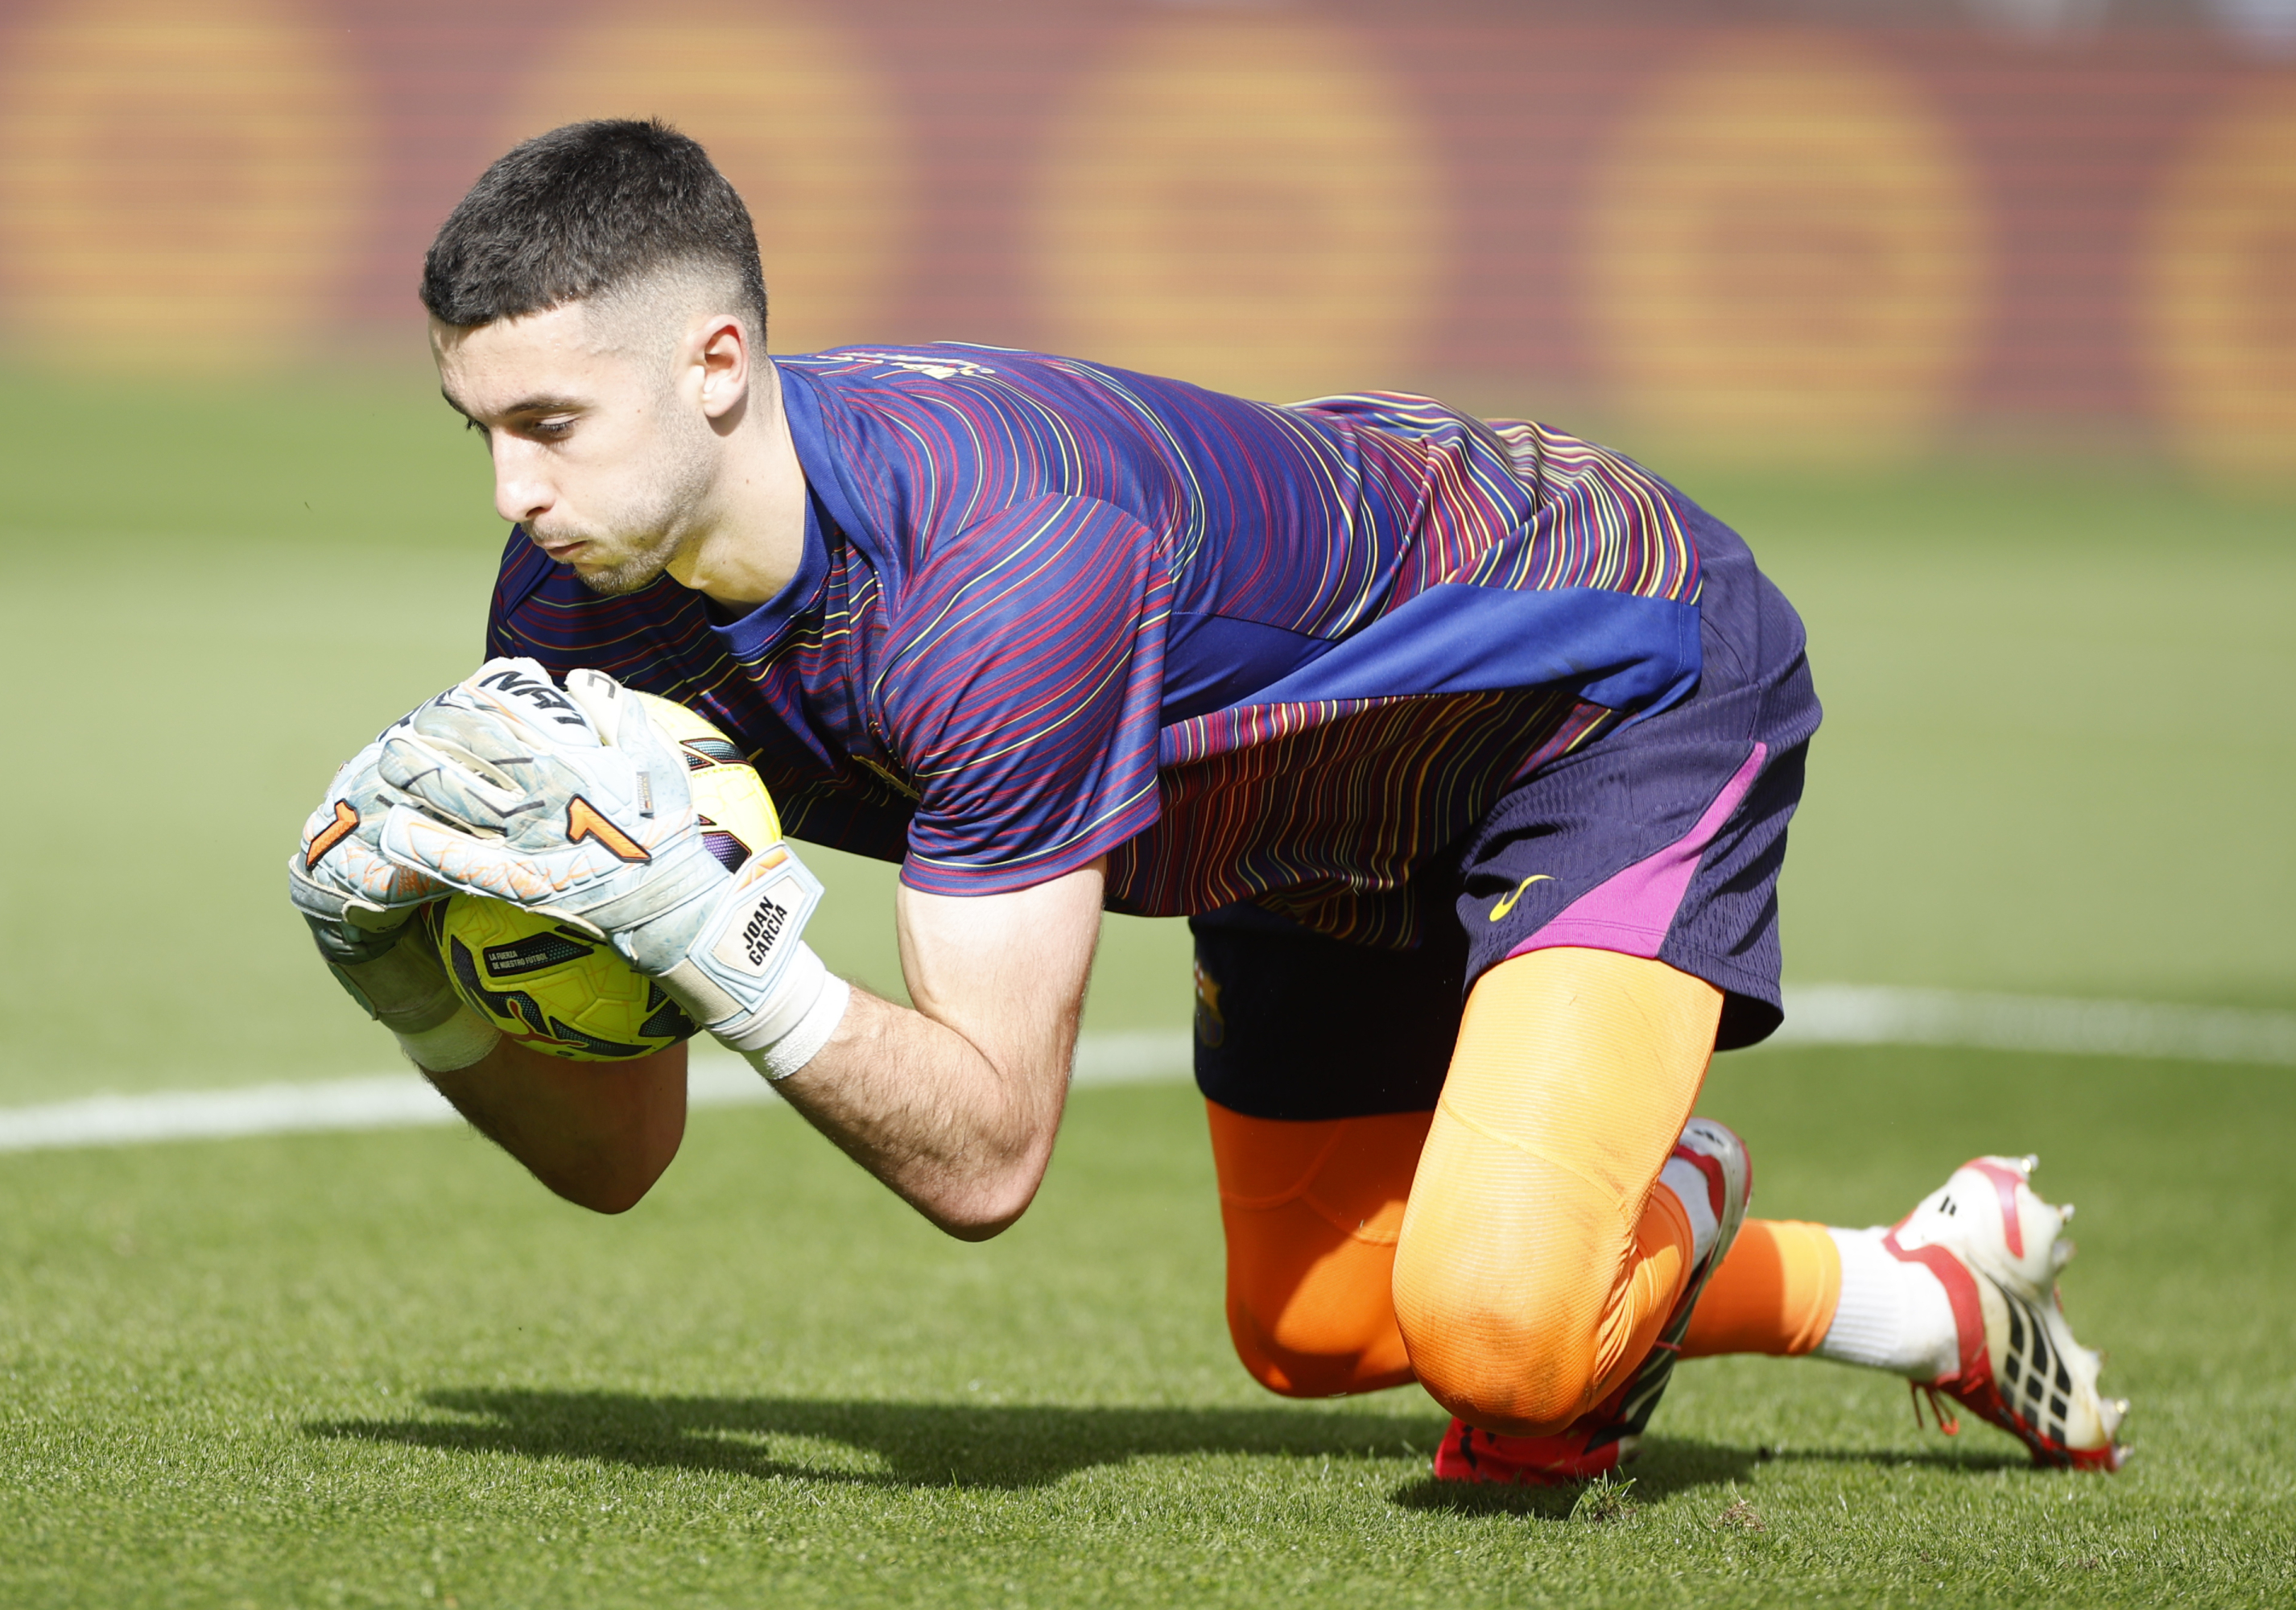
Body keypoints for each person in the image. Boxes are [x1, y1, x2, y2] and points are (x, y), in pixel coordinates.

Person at [287, 119, 2126, 1481]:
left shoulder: (1002, 572)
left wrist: (714, 938)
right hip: (1296, 795)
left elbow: (990, 1154)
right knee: (1323, 1334)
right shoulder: (573, 600)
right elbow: (626, 1154)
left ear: (718, 367)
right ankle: (1918, 1293)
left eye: (550, 424)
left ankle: (1625, 1221)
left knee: (1498, 1332)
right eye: (482, 431)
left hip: (1597, 688)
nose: (511, 494)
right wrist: (421, 990)